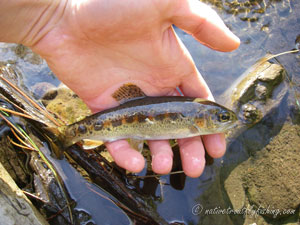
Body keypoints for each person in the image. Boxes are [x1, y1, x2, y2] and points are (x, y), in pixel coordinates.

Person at [0, 0, 240, 177]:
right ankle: (64, 136)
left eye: (221, 118)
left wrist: (53, 15)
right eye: (221, 118)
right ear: (200, 119)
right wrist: (54, 15)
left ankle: (69, 135)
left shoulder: (192, 120)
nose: (224, 120)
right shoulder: (191, 121)